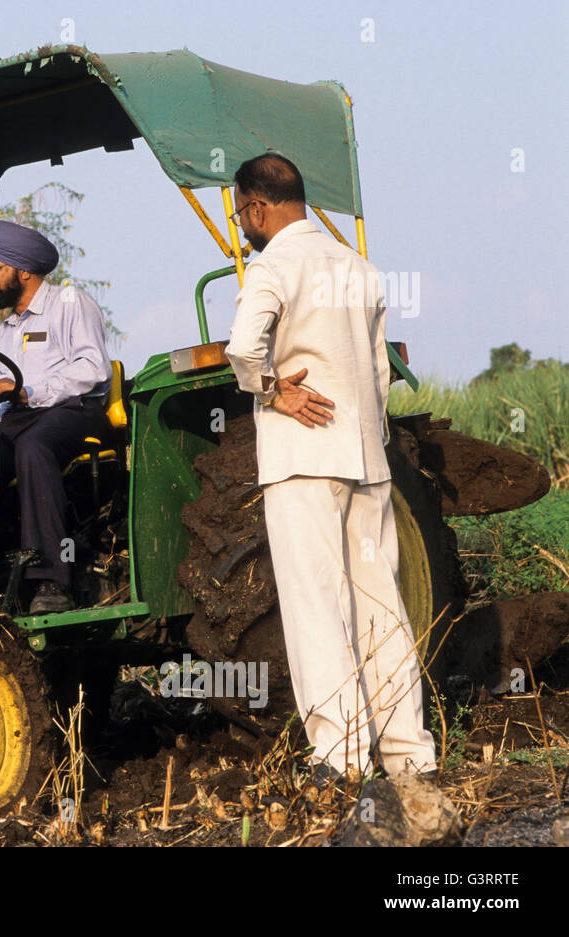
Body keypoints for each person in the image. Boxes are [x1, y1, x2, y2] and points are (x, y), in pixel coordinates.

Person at [223, 154, 437, 784]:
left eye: (241, 213)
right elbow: (377, 374)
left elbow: (242, 348)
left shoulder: (272, 266)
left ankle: (340, 758)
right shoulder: (357, 267)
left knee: (318, 606)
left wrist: (271, 389)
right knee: (381, 606)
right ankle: (409, 756)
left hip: (301, 460)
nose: (243, 225)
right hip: (366, 460)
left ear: (258, 207)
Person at [0, 218, 112, 614]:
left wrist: (29, 391)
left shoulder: (70, 302)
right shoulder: (8, 328)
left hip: (76, 411)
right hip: (23, 415)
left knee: (33, 448)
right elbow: (6, 394)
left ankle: (52, 580)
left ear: (23, 269)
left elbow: (93, 370)